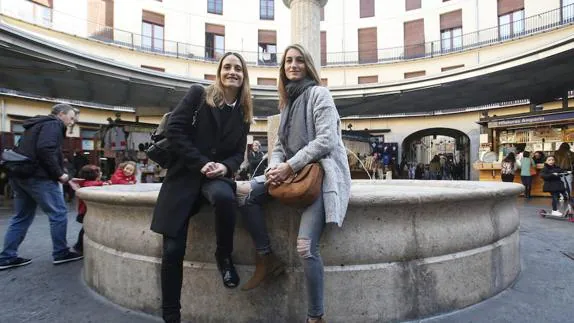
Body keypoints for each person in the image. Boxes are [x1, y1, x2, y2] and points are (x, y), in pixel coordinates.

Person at [239, 44, 351, 323]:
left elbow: (326, 141)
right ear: (283, 68)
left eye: (299, 60)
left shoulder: (319, 94)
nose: (293, 65)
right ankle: (266, 257)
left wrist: (289, 166)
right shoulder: (286, 103)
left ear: (308, 65)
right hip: (292, 172)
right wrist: (277, 166)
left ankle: (316, 317)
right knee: (245, 196)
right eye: (288, 61)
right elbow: (278, 146)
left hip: (322, 174)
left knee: (305, 247)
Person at [150, 52, 252, 323]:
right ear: (219, 71)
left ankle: (223, 255)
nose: (232, 72)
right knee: (172, 251)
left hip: (215, 178)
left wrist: (226, 168)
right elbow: (175, 131)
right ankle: (171, 315)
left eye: (238, 68)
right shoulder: (198, 94)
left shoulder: (243, 114)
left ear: (244, 76)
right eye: (227, 67)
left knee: (224, 197)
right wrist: (202, 163)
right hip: (184, 176)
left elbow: (238, 153)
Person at [0, 104, 83, 271]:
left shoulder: (36, 125)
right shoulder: (53, 124)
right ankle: (61, 253)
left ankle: (7, 257)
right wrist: (59, 174)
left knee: (22, 216)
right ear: (61, 114)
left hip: (20, 175)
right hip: (39, 176)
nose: (72, 122)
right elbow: (45, 149)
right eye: (71, 118)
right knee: (58, 213)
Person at [73, 164, 108, 254]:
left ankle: (80, 246)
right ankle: (79, 247)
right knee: (85, 229)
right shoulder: (91, 184)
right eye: (99, 172)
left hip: (84, 211)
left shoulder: (84, 183)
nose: (101, 173)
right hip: (86, 211)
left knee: (85, 228)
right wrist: (105, 184)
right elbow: (95, 184)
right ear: (94, 175)